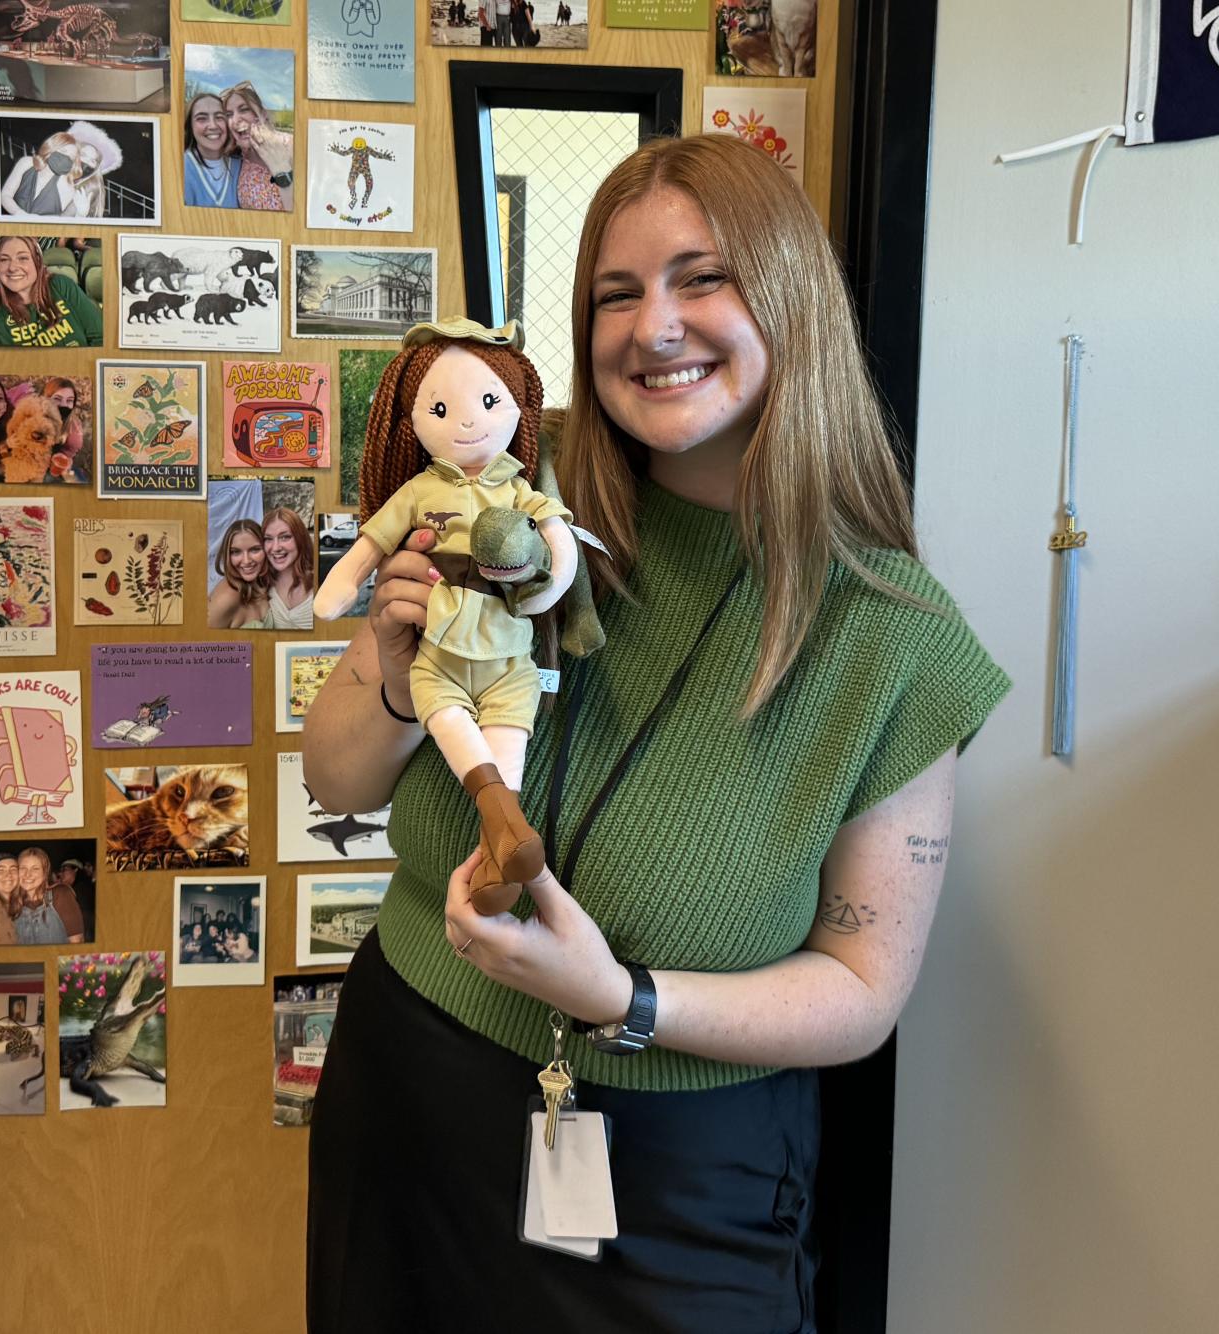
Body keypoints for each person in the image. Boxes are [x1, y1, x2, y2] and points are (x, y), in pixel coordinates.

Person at [301, 134, 1011, 1329]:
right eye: (616, 294)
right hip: (406, 1094)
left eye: (703, 278)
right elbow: (338, 778)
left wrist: (622, 998)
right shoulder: (512, 511)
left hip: (679, 1171)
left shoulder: (892, 637)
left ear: (790, 297)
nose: (654, 326)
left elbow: (860, 987)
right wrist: (386, 653)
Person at [0, 235, 102, 349]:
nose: (12, 267)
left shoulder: (61, 286)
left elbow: (99, 337)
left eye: (23, 258)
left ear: (37, 262)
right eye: (4, 260)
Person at [221, 82, 294, 213]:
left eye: (244, 109)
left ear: (263, 114)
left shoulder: (290, 145)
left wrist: (281, 170)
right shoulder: (235, 158)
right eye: (229, 115)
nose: (235, 119)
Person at [208, 518, 272, 629]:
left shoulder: (263, 582)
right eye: (236, 552)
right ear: (228, 555)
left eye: (255, 550)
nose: (246, 561)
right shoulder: (227, 598)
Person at [261, 507, 316, 630]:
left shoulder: (321, 580)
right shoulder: (263, 584)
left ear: (300, 539)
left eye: (285, 537)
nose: (275, 548)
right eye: (268, 539)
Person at [182, 92, 240, 209]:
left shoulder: (240, 165)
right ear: (190, 126)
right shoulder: (179, 168)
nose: (213, 126)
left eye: (219, 117)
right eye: (202, 118)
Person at [10, 846, 72, 945]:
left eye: (35, 869)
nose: (28, 874)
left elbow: (77, 943)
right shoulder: (11, 904)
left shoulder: (61, 895)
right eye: (23, 868)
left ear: (45, 873)